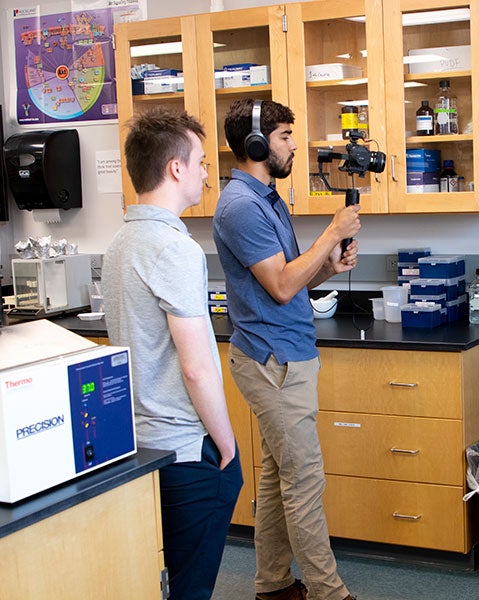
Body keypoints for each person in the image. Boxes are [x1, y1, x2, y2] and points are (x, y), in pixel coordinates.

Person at [212, 98, 360, 600]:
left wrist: (328, 267)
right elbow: (277, 286)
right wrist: (332, 233)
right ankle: (328, 592)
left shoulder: (268, 199)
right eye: (283, 136)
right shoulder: (241, 205)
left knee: (279, 477)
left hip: (290, 352)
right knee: (304, 482)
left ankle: (273, 586)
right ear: (256, 145)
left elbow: (292, 279)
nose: (294, 144)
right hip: (270, 358)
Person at [103, 108, 243, 600]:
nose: (208, 172)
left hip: (135, 445)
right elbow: (196, 366)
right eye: (202, 162)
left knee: (150, 576)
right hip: (184, 448)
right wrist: (226, 446)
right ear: (175, 169)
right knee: (190, 586)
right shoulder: (174, 249)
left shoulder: (120, 244)